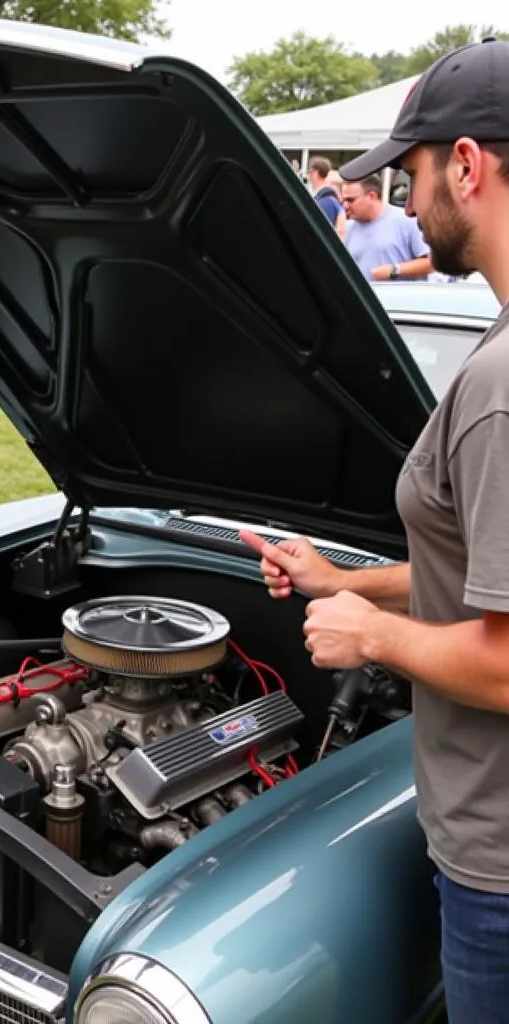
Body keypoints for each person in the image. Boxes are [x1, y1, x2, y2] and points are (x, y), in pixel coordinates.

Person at [241, 37, 509, 1024]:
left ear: (468, 166)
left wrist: (371, 637)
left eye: (413, 173)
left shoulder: (498, 389)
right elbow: (483, 570)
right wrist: (345, 583)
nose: (405, 197)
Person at [341, 173, 433, 281]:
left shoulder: (407, 220)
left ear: (372, 196)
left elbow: (431, 263)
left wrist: (394, 270)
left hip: (398, 297)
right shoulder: (348, 227)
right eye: (344, 200)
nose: (345, 206)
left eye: (350, 200)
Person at [307, 155, 345, 235]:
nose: (308, 176)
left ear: (315, 173)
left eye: (309, 172)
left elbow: (323, 234)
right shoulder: (329, 200)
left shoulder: (324, 202)